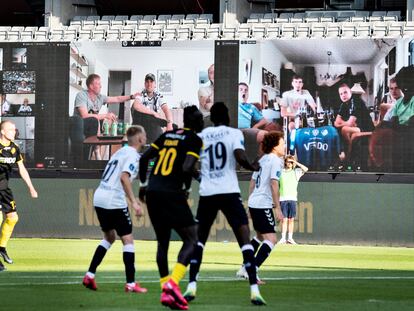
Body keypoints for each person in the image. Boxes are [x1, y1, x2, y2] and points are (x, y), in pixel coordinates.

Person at [183, 102, 267, 306]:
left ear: (211, 118)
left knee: (199, 241)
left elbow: (188, 166)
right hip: (229, 191)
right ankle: (254, 290)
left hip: (209, 192)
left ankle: (191, 286)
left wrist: (201, 177)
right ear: (227, 116)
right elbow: (239, 156)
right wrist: (252, 166)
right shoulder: (233, 133)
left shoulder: (202, 136)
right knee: (244, 239)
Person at [139, 106, 204, 310]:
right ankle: (172, 283)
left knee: (163, 243)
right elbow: (186, 167)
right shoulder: (194, 139)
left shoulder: (167, 135)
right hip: (171, 193)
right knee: (193, 238)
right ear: (196, 122)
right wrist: (186, 187)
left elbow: (144, 158)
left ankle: (165, 290)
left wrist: (143, 185)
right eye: (201, 119)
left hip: (153, 192)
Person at [82, 125, 148, 293]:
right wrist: (133, 202)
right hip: (114, 198)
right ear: (140, 139)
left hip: (100, 195)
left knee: (109, 237)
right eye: (144, 135)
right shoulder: (133, 155)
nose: (146, 138)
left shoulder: (120, 152)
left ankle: (89, 275)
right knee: (128, 240)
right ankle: (131, 284)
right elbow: (124, 177)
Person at [236, 131, 285, 283]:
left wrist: (250, 204)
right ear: (275, 146)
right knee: (271, 239)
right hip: (263, 203)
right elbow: (273, 183)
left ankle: (244, 267)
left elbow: (252, 182)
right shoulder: (275, 160)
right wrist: (277, 208)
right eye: (282, 143)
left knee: (259, 237)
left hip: (255, 202)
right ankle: (253, 270)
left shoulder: (262, 159)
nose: (284, 146)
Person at [0, 120, 38, 271]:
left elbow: (22, 169)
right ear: (2, 132)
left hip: (4, 189)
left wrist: (31, 187)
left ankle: (1, 247)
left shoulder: (14, 148)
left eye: (15, 130)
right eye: (10, 130)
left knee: (13, 218)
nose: (14, 132)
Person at [74, 73, 139, 159]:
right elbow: (84, 115)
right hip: (80, 125)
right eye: (98, 83)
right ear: (91, 86)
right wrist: (106, 115)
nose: (101, 86)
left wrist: (131, 96)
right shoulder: (81, 95)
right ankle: (96, 151)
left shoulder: (100, 97)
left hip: (92, 124)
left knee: (103, 121)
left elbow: (117, 99)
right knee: (95, 120)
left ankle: (103, 153)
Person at [334, 82, 374, 158]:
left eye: (345, 92)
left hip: (366, 128)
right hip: (357, 128)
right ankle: (345, 153)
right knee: (340, 129)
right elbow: (336, 123)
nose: (343, 95)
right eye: (341, 94)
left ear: (350, 92)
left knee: (344, 129)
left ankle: (348, 154)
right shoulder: (344, 104)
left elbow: (348, 123)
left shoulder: (356, 101)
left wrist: (343, 123)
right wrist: (346, 123)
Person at [277, 155, 308, 245]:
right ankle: (283, 238)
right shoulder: (280, 172)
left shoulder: (296, 172)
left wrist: (295, 162)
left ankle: (290, 238)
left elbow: (306, 169)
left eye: (291, 162)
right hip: (283, 199)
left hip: (293, 199)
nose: (289, 163)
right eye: (288, 161)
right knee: (284, 220)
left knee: (291, 219)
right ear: (285, 162)